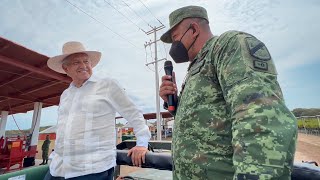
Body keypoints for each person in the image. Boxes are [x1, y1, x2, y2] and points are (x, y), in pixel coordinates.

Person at [159, 5, 297, 179]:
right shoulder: (195, 68)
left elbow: (260, 116)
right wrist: (172, 102)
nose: (174, 46)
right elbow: (203, 121)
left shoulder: (227, 46)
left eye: (176, 37)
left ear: (193, 29)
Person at [44, 41, 151, 179]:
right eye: (76, 62)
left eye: (86, 61)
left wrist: (142, 144)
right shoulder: (65, 95)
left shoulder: (107, 85)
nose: (83, 66)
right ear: (66, 68)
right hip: (58, 168)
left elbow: (133, 113)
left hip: (92, 170)